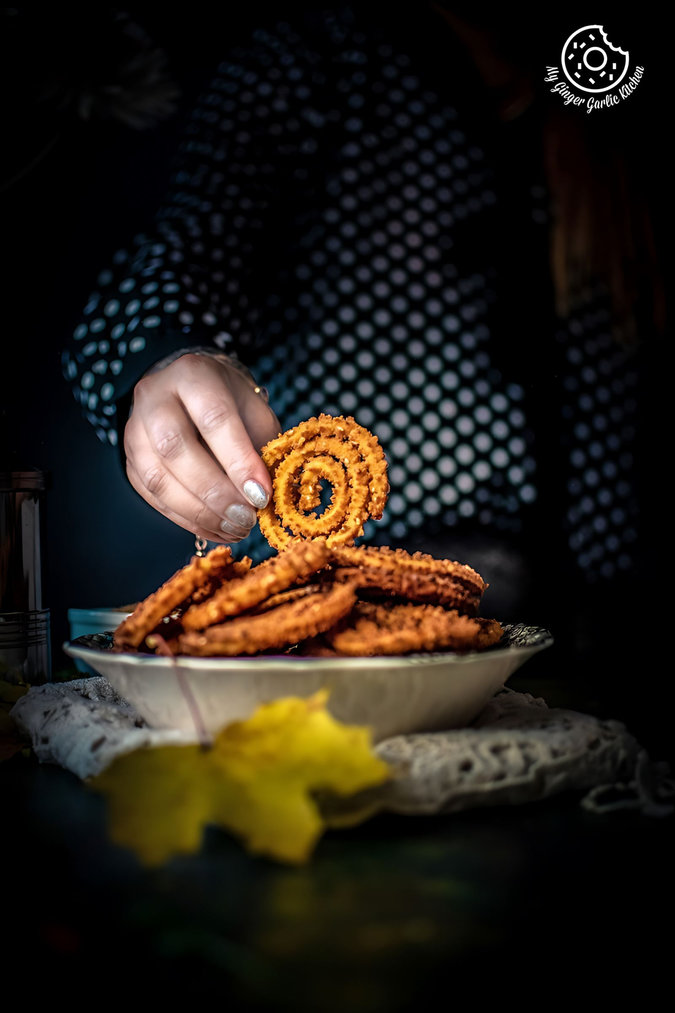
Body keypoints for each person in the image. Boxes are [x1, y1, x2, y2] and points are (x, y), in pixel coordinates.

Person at [60, 2, 660, 620]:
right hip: (341, 624)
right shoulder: (317, 63)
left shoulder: (609, 103)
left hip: (607, 632)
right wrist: (166, 352)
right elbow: (194, 243)